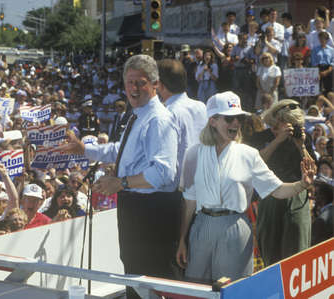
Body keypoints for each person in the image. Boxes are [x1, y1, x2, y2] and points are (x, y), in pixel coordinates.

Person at [60, 54, 180, 299]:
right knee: (133, 271)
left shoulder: (158, 120)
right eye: (130, 82)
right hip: (135, 207)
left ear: (155, 84)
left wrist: (121, 183)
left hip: (152, 212)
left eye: (141, 82)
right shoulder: (137, 114)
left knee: (150, 278)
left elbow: (164, 172)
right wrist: (84, 149)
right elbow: (120, 151)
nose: (134, 89)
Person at [176, 91, 316, 283]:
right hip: (201, 226)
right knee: (196, 289)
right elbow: (189, 201)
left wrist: (302, 184)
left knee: (235, 290)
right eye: (229, 118)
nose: (235, 124)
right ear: (213, 120)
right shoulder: (193, 153)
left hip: (235, 226)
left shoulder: (248, 154)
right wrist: (182, 239)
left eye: (239, 118)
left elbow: (277, 189)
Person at [248, 100, 317, 266]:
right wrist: (277, 140)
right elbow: (253, 163)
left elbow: (312, 169)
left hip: (297, 195)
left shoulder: (301, 138)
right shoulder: (261, 137)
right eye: (285, 122)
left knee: (297, 251)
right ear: (275, 121)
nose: (290, 127)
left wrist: (301, 146)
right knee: (271, 251)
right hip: (270, 194)